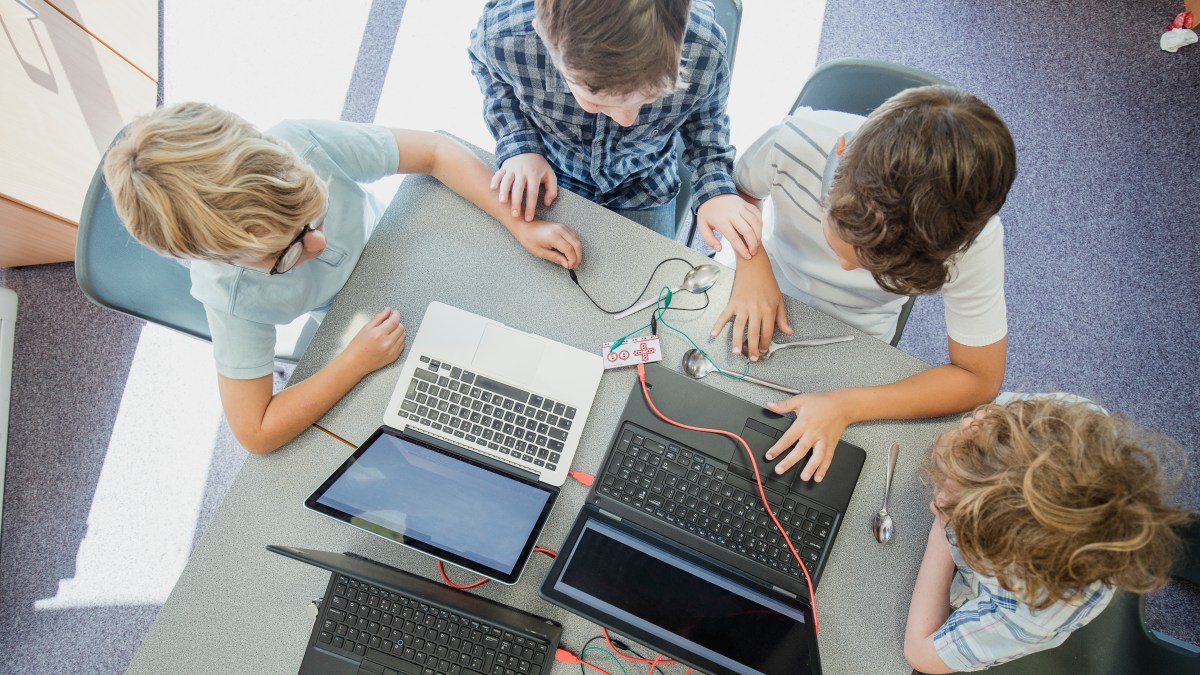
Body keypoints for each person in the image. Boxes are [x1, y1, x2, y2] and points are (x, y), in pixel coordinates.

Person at [104, 102, 582, 454]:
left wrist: (519, 223)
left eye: (313, 216)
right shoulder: (230, 296)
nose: (317, 245)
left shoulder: (302, 142)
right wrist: (352, 363)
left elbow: (435, 151)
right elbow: (256, 431)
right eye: (283, 253)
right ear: (226, 260)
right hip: (359, 318)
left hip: (405, 250)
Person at [715, 85, 1017, 481]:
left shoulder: (971, 241)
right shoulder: (795, 140)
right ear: (840, 155)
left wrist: (848, 405)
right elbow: (736, 190)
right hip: (762, 282)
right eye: (839, 242)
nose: (841, 267)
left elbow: (979, 378)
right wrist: (752, 261)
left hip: (861, 336)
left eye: (869, 269)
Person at [903, 397, 1189, 672]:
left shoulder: (1032, 612)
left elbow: (920, 654)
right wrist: (963, 458)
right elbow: (972, 430)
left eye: (954, 500)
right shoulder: (1061, 421)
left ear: (1004, 556)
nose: (937, 494)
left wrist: (943, 525)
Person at [468, 0, 763, 257]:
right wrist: (519, 144)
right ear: (544, 36)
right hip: (552, 172)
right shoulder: (505, 37)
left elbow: (707, 125)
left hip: (645, 186)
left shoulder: (704, 49)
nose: (627, 120)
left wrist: (716, 191)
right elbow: (487, 69)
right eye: (595, 101)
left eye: (649, 97)